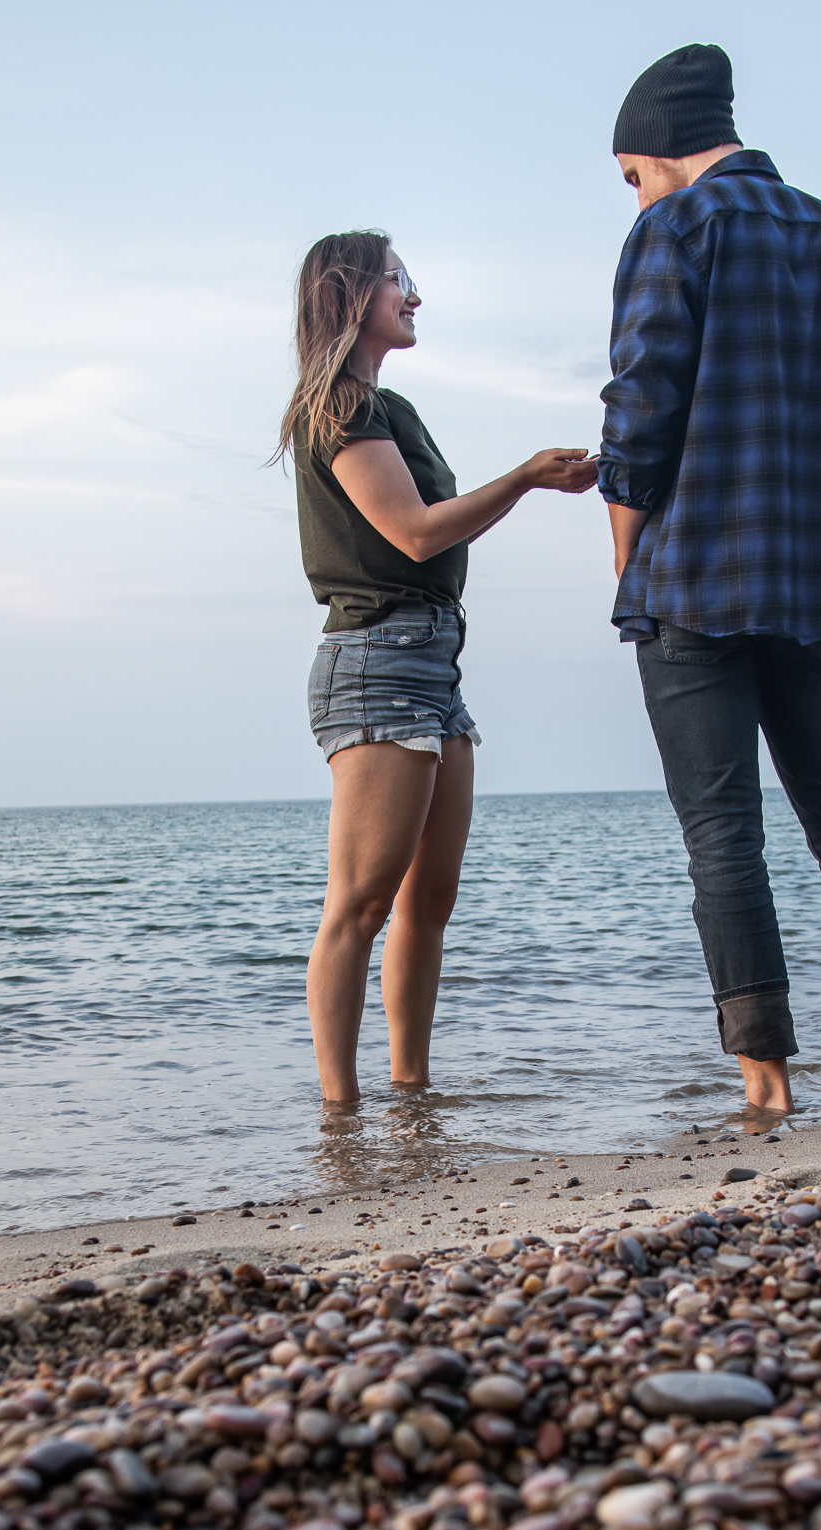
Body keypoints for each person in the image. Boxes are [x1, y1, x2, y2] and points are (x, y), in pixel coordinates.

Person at [598, 45, 821, 1116]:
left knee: (722, 833)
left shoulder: (677, 227)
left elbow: (639, 413)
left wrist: (627, 558)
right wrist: (816, 487)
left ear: (658, 150)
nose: (635, 192)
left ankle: (768, 1082)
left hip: (692, 576)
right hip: (818, 584)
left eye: (630, 173)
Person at [278, 231, 597, 1106]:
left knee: (429, 901)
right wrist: (527, 475)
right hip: (375, 659)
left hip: (432, 663)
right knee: (361, 901)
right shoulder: (339, 407)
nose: (413, 297)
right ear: (350, 296)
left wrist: (542, 480)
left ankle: (411, 1093)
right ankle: (340, 1112)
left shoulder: (395, 410)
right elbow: (416, 532)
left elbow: (434, 522)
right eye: (397, 281)